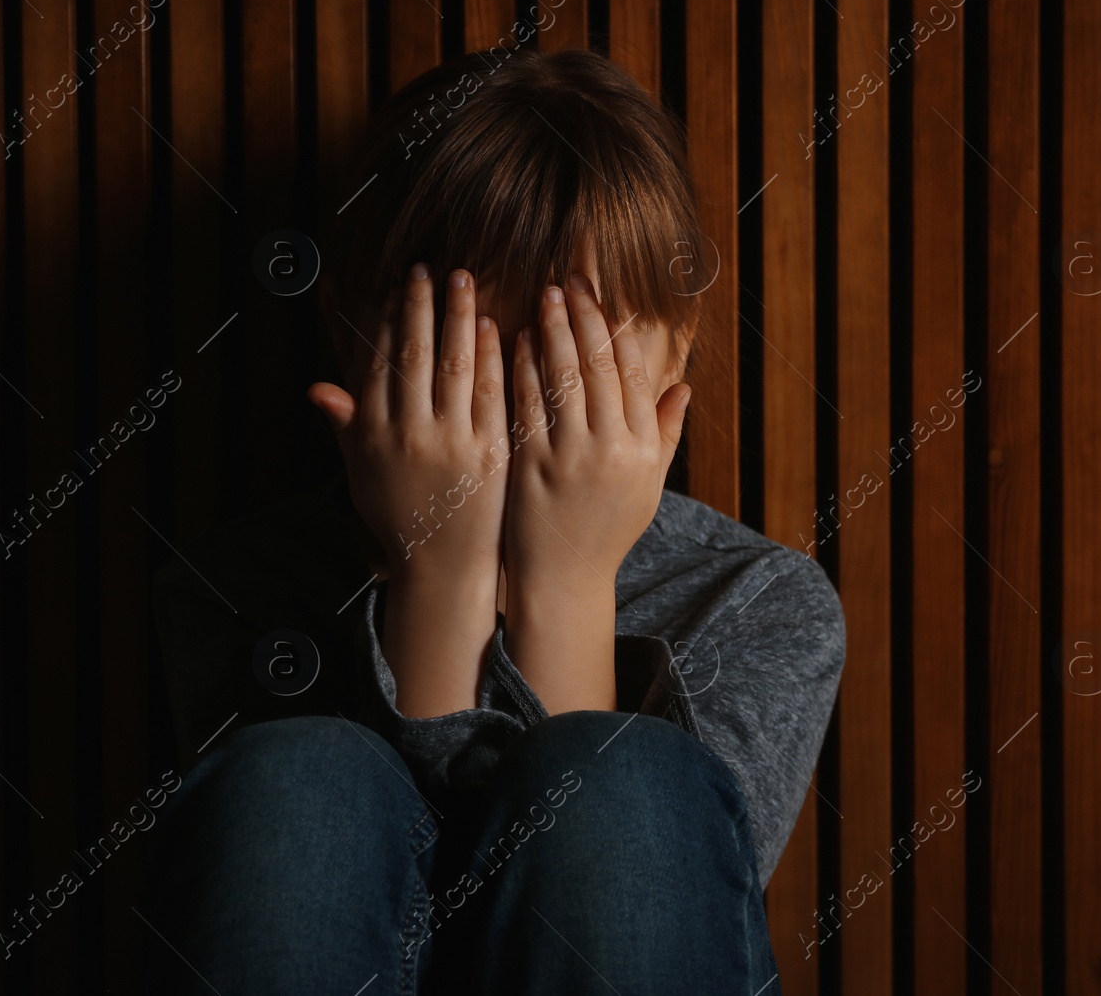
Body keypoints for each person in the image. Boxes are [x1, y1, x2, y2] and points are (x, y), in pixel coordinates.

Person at [144, 48, 844, 994]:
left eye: (573, 362)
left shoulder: (760, 605)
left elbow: (641, 908)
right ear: (355, 338)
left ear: (678, 346)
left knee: (624, 784)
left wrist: (566, 574)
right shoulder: (239, 591)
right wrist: (442, 573)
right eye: (460, 362)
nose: (512, 417)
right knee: (296, 776)